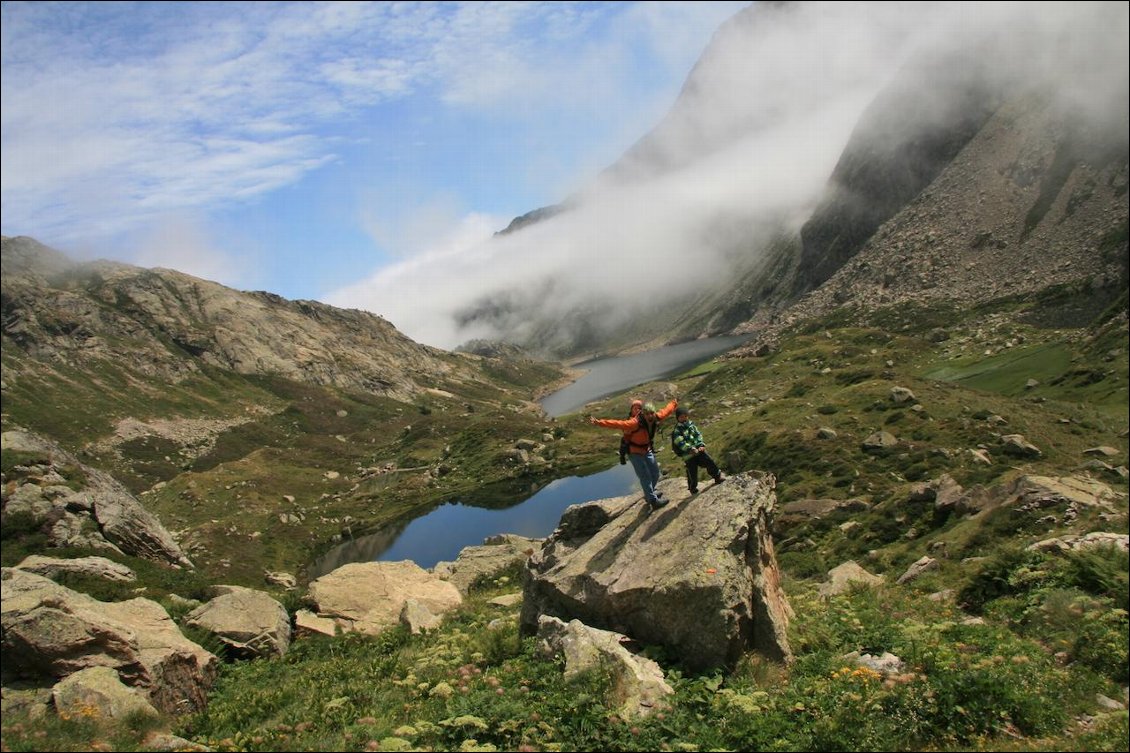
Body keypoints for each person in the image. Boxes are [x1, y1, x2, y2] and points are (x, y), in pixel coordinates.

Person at [590, 398, 678, 509]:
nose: (650, 416)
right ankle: (653, 501)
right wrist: (599, 423)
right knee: (645, 476)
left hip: (647, 449)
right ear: (643, 414)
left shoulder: (656, 417)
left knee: (655, 472)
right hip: (635, 452)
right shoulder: (635, 423)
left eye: (651, 413)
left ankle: (649, 493)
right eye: (647, 414)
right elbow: (618, 424)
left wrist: (674, 402)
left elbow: (667, 410)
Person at [671, 406, 724, 494]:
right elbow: (680, 442)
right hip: (688, 455)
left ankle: (717, 477)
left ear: (687, 416)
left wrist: (701, 444)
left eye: (685, 416)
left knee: (709, 461)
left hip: (698, 450)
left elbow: (698, 435)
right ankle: (692, 488)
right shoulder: (677, 431)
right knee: (692, 472)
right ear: (677, 418)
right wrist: (690, 448)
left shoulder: (691, 425)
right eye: (681, 417)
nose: (683, 418)